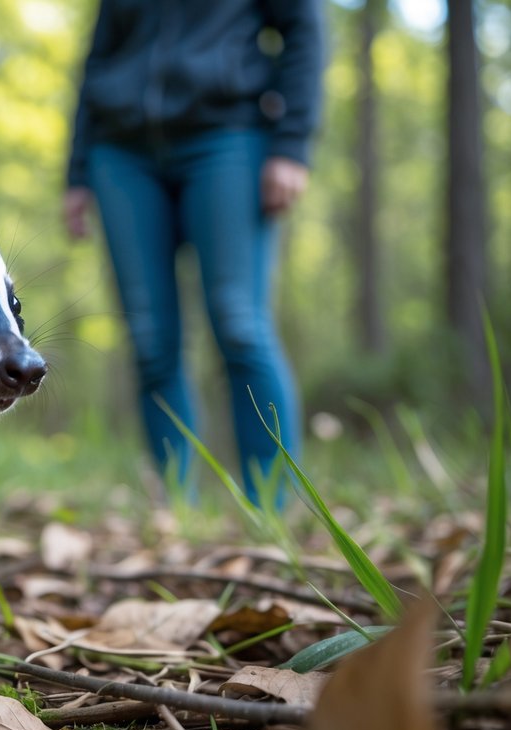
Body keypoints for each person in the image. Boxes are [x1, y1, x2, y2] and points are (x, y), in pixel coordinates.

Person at [64, 0, 325, 506]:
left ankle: (272, 506)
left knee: (240, 323)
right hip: (121, 151)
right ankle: (174, 506)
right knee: (148, 336)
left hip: (229, 135)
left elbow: (303, 29)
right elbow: (97, 59)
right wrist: (77, 174)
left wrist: (292, 144)